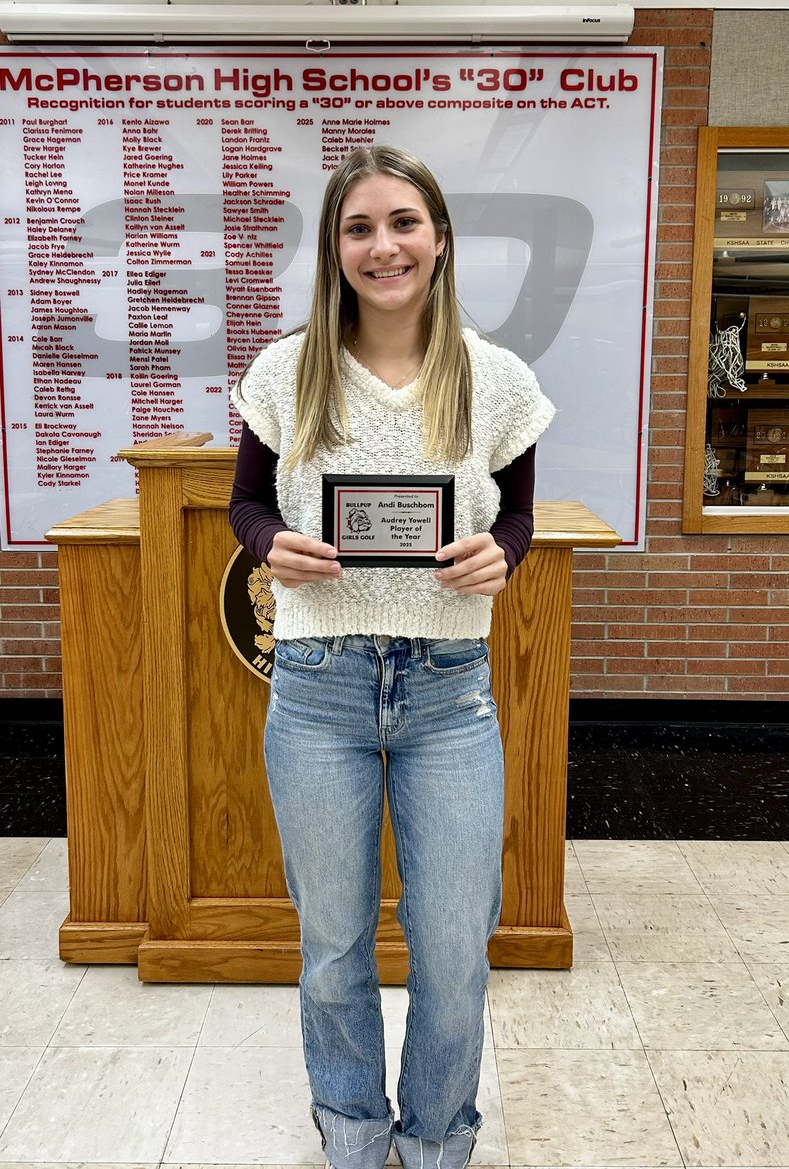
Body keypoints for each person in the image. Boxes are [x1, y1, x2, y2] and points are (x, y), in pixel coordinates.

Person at [229, 145, 555, 1169]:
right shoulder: (287, 371)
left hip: (449, 691)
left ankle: (437, 1142)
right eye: (360, 228)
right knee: (333, 951)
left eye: (403, 223)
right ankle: (356, 1137)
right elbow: (246, 502)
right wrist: (263, 542)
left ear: (440, 237)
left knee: (455, 951)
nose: (384, 246)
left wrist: (498, 557)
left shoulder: (496, 379)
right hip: (320, 687)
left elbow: (524, 519)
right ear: (336, 250)